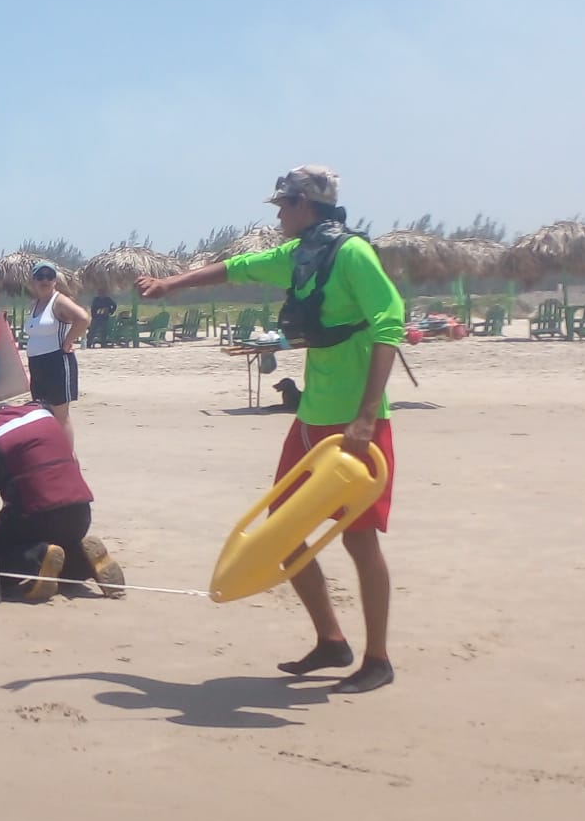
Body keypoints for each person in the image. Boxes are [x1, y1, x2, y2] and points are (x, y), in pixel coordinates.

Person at [136, 164, 404, 694]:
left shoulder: (352, 253)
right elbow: (236, 269)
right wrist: (170, 284)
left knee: (359, 539)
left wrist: (367, 415)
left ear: (306, 204)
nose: (279, 215)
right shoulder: (299, 255)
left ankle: (377, 659)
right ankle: (331, 640)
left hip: (357, 425)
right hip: (311, 419)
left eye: (283, 205)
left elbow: (390, 324)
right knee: (281, 530)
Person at [0, 393, 124, 601]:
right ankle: (82, 559)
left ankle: (39, 557)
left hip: (37, 517)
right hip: (81, 512)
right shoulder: (40, 411)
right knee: (57, 552)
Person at [24, 264, 90, 443]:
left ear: (55, 280)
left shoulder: (59, 301)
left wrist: (69, 340)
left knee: (60, 415)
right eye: (40, 276)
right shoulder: (35, 304)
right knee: (43, 412)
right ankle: (52, 450)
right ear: (33, 281)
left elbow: (83, 318)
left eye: (49, 276)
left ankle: (67, 455)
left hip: (57, 362)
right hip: (37, 364)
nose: (45, 280)